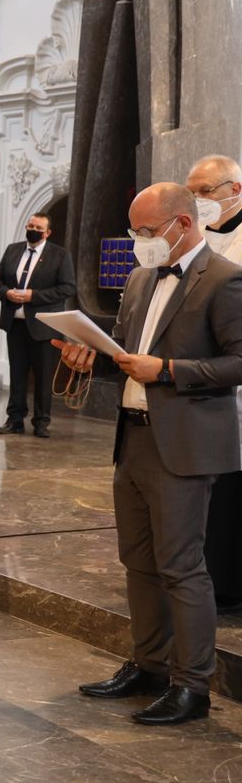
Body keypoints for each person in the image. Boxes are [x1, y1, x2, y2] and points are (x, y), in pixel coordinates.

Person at [56, 183, 242, 726]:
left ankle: (193, 685)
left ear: (181, 225)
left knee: (182, 567)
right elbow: (124, 352)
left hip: (184, 443)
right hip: (133, 437)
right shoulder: (139, 278)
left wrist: (166, 371)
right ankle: (151, 664)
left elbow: (238, 364)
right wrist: (92, 356)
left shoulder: (226, 281)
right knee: (137, 562)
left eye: (145, 231)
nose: (138, 242)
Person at [187, 155, 242, 610]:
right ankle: (208, 579)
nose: (199, 201)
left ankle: (229, 585)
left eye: (207, 191)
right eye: (194, 193)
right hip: (193, 384)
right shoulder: (195, 241)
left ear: (235, 190)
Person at [0, 212, 75, 438]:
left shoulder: (59, 255)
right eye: (30, 225)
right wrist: (6, 292)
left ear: (47, 233)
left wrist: (33, 296)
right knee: (17, 374)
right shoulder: (13, 250)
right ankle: (14, 420)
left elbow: (68, 288)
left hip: (44, 326)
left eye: (38, 228)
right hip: (15, 324)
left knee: (43, 376)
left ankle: (41, 422)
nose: (32, 229)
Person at [188, 154, 242, 264]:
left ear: (235, 190)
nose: (197, 199)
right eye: (191, 193)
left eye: (206, 190)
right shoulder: (189, 233)